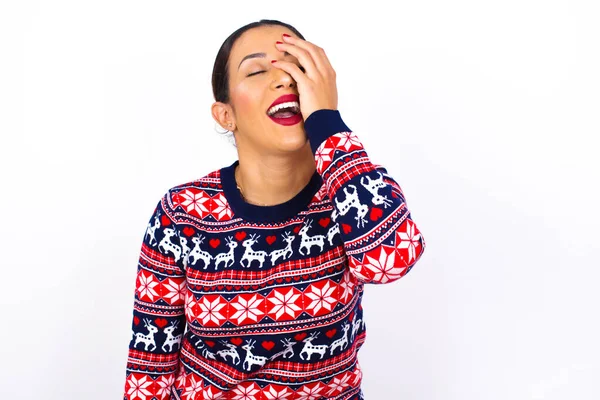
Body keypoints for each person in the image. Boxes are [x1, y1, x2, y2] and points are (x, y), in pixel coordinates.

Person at [123, 19, 426, 400]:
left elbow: (391, 261)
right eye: (256, 70)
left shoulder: (351, 191)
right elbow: (149, 370)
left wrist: (328, 124)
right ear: (225, 115)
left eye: (296, 67)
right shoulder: (181, 213)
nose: (283, 80)